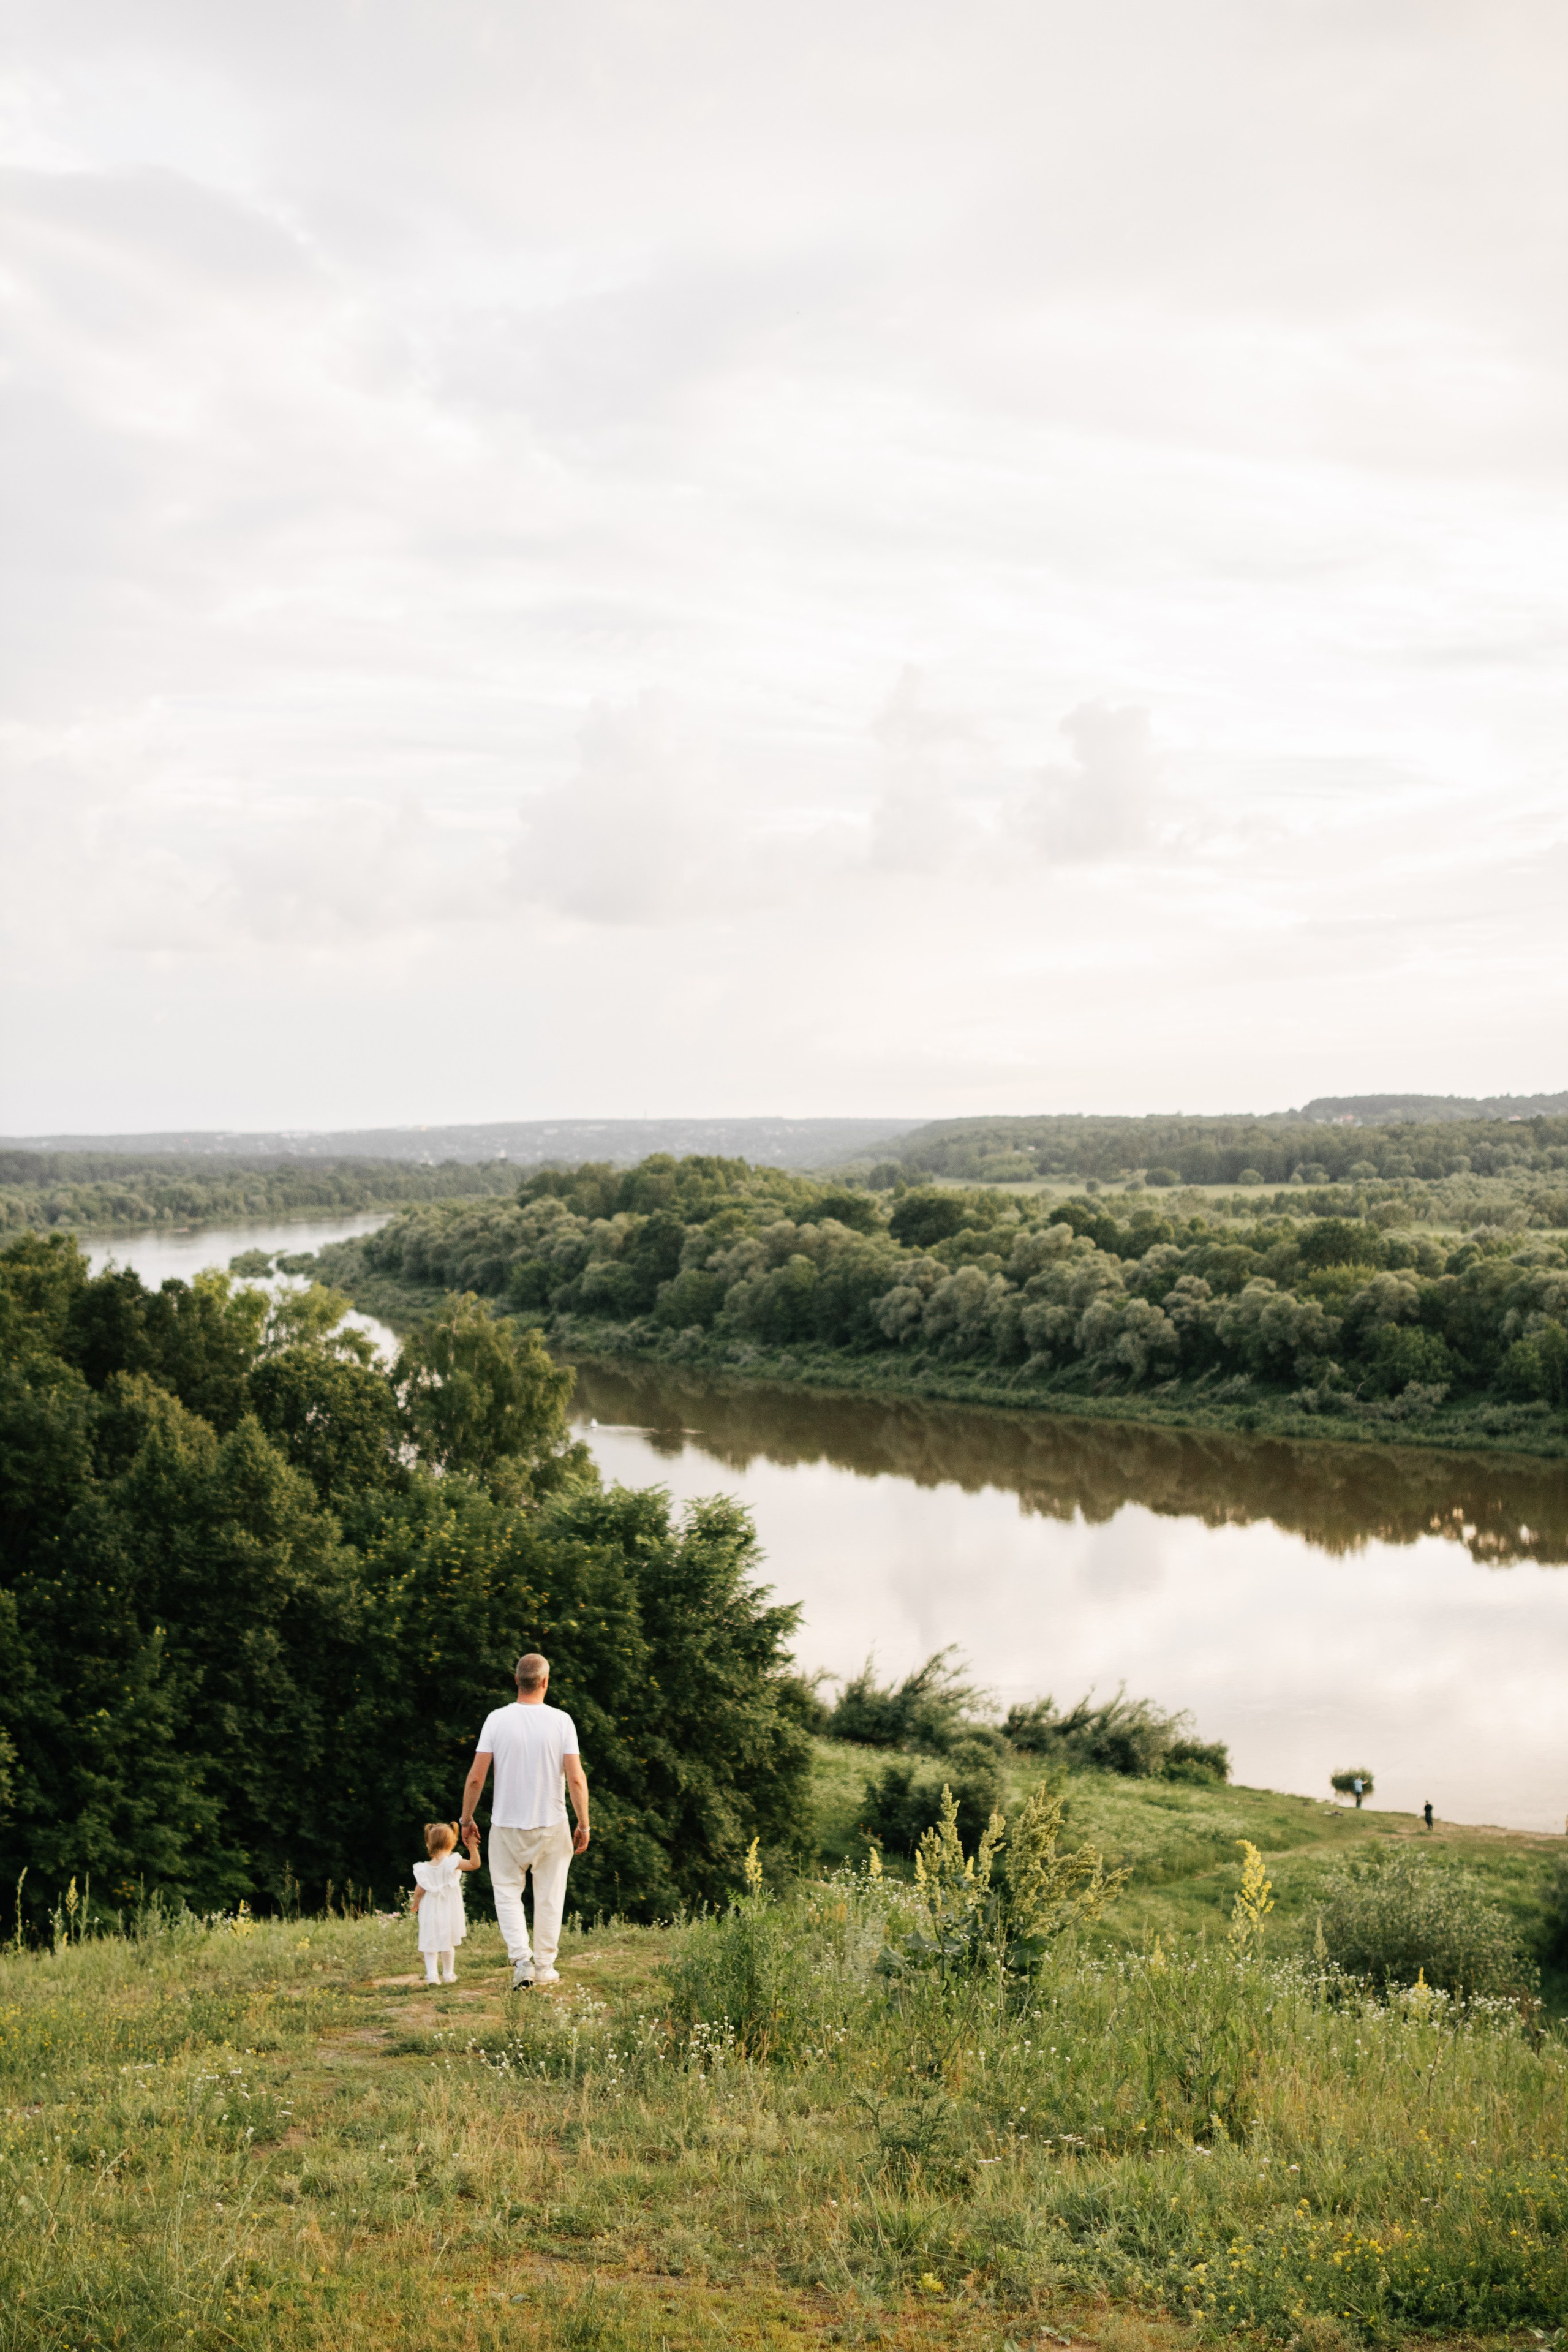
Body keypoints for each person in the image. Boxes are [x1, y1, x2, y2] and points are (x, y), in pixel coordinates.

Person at [461, 1651, 590, 1991]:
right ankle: (545, 1966)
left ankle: (522, 1961)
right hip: (552, 1823)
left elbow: (476, 1778)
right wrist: (584, 1824)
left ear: (516, 1680)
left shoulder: (496, 1719)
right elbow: (576, 1779)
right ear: (546, 1682)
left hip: (506, 1824)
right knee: (550, 1895)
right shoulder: (562, 1721)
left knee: (506, 1893)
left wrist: (466, 1819)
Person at [412, 1819, 481, 1985]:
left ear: (429, 1844)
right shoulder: (453, 1862)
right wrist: (472, 1847)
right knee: (448, 1942)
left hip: (430, 1910)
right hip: (449, 1910)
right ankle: (448, 1974)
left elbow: (419, 1890)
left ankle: (432, 1976)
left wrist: (416, 1904)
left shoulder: (424, 1868)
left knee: (430, 1942)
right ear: (452, 1843)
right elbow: (474, 1864)